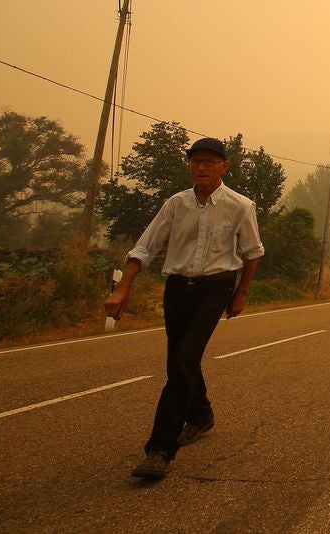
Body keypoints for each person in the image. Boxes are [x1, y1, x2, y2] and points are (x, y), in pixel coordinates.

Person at [103, 136, 265, 480]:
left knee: (185, 359)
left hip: (216, 288)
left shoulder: (240, 206)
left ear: (224, 167)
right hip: (177, 288)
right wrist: (122, 289)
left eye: (208, 162)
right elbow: (145, 247)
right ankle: (201, 415)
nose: (201, 168)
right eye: (195, 162)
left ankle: (160, 450)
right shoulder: (176, 204)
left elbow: (252, 252)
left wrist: (241, 294)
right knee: (178, 360)